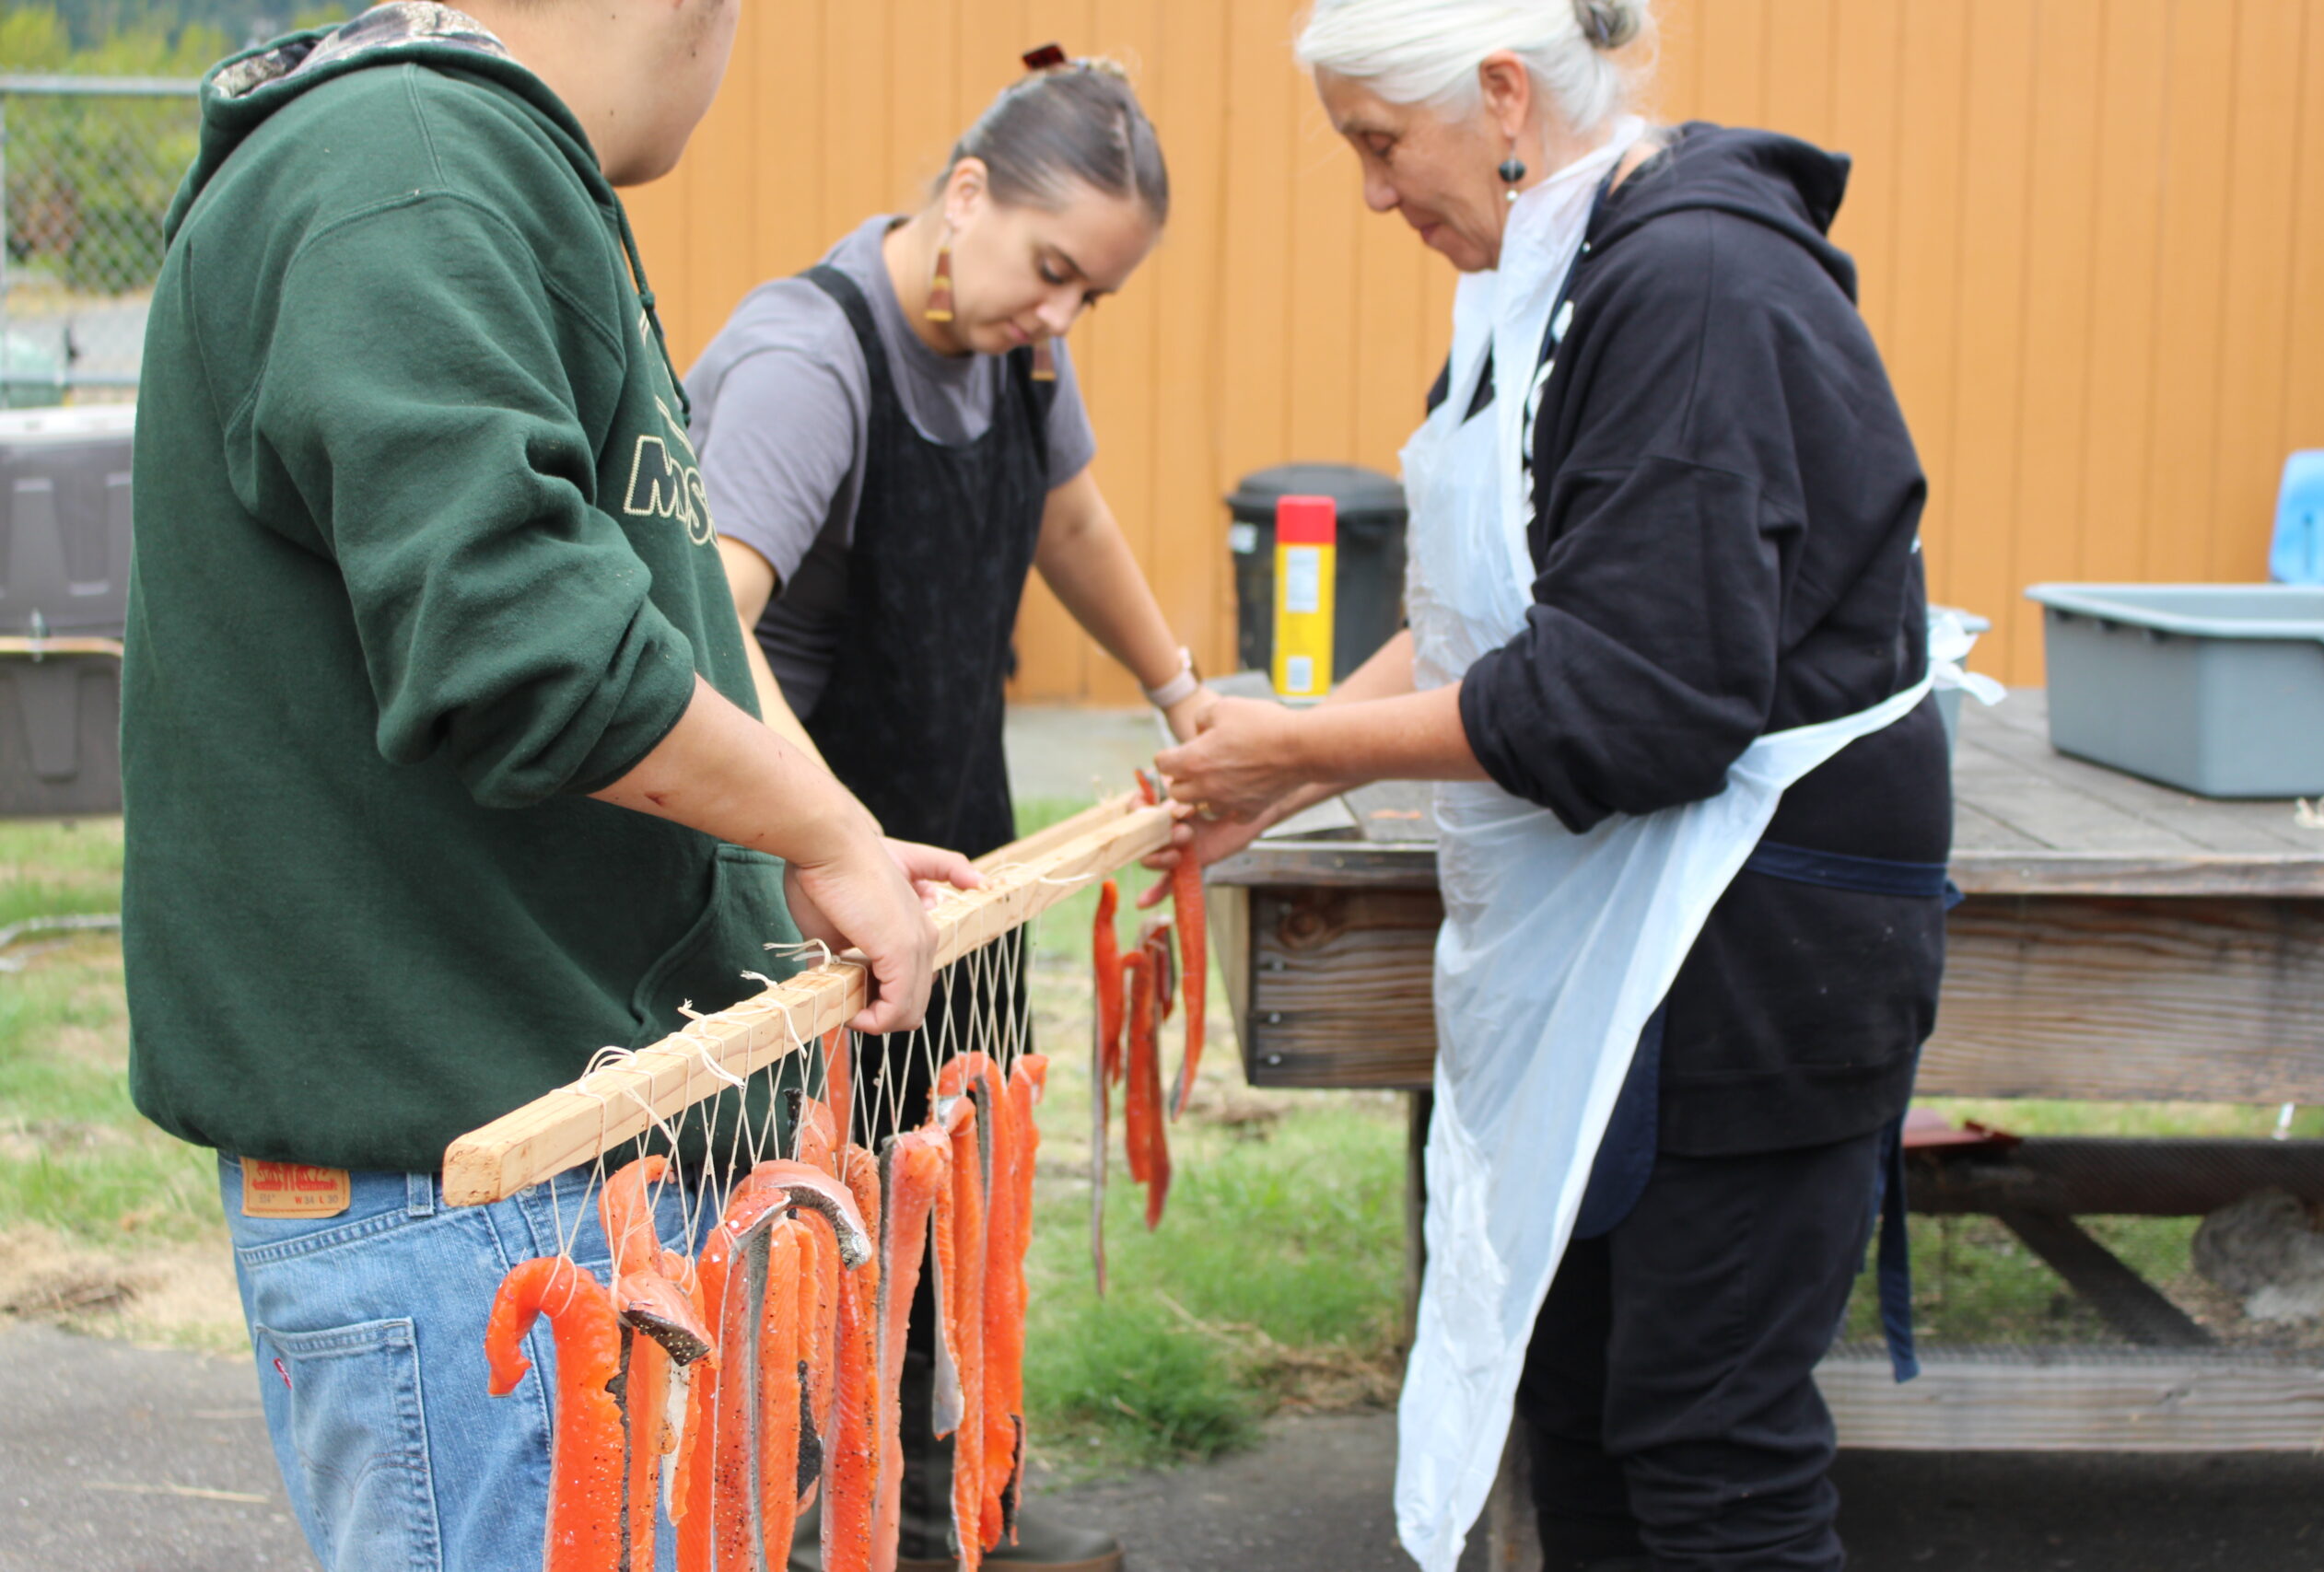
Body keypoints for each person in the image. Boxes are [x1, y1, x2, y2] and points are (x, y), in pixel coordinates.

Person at [122, 6, 968, 1569]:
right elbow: (526, 648)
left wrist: (806, 840)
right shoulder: (406, 169)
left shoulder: (472, 166)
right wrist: (818, 826)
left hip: (564, 1162)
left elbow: (654, 613)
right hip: (480, 1196)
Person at [1153, 2, 1952, 1568]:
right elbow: (1494, 613)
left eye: (1381, 143)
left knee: (1707, 1444)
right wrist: (1286, 767)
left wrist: (1302, 748)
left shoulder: (1693, 286)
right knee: (1579, 1406)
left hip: (1748, 951)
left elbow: (1640, 697)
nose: (1375, 192)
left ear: (1504, 95)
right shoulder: (1549, 281)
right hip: (1613, 934)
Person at [683, 55, 1199, 1572]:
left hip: (953, 857)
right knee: (815, 1229)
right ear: (966, 195)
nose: (1062, 315)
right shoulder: (808, 361)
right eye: (1053, 270)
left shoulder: (1016, 349)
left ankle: (942, 1519)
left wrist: (1180, 691)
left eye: (1091, 294)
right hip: (798, 890)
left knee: (943, 1211)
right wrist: (832, 846)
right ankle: (806, 1538)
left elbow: (1070, 515)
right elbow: (706, 630)